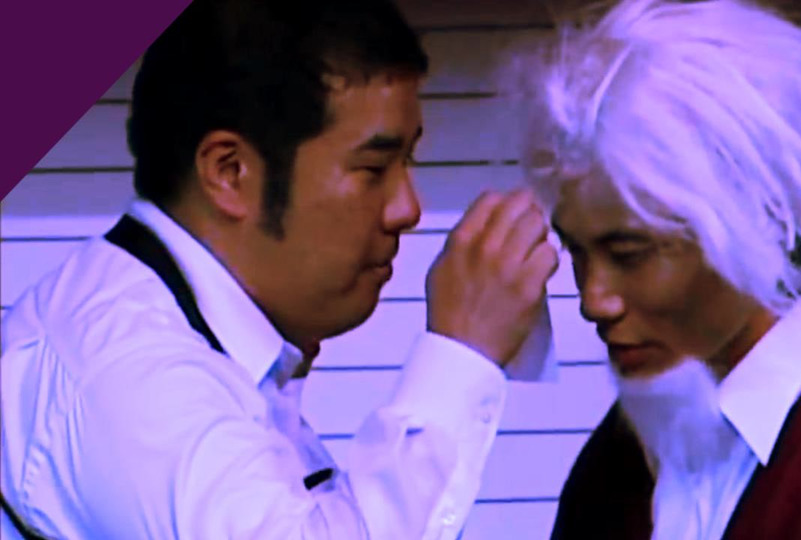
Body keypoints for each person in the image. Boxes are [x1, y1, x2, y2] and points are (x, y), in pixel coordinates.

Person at [0, 0, 559, 538]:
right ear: (230, 172)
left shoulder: (188, 336)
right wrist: (460, 355)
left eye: (407, 161)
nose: (407, 208)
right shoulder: (133, 375)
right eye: (373, 168)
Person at [503, 0, 801, 538]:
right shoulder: (613, 467)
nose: (593, 300)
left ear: (757, 220)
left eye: (629, 253)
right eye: (576, 251)